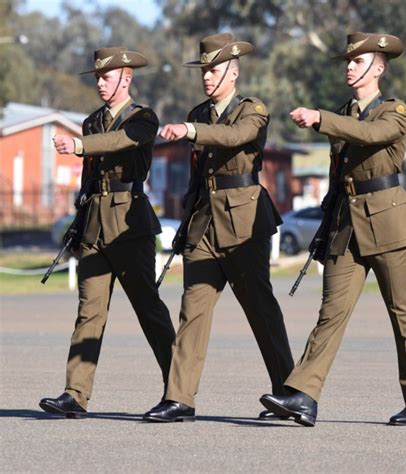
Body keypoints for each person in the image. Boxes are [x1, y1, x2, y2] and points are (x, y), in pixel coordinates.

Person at [260, 32, 406, 427]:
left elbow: (371, 135)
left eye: (357, 61)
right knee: (330, 313)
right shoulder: (343, 113)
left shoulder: (395, 110)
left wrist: (321, 119)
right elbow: (339, 177)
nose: (350, 67)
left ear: (379, 67)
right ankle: (304, 395)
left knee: (403, 312)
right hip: (346, 224)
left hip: (387, 220)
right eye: (348, 62)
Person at [143, 33, 294, 423]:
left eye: (213, 70)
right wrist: (185, 222)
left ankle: (289, 393)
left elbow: (235, 137)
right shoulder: (199, 113)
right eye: (203, 71)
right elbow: (198, 177)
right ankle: (179, 397)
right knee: (192, 309)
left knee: (260, 309)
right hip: (204, 223)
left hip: (244, 220)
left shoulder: (252, 110)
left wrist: (192, 132)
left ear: (234, 71)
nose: (207, 77)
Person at [39, 47, 175, 418]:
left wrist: (81, 147)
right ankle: (75, 394)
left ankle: (178, 389)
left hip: (130, 225)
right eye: (98, 77)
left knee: (148, 309)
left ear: (126, 78)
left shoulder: (143, 118)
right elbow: (88, 181)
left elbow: (123, 141)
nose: (100, 82)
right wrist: (78, 223)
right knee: (89, 311)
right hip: (95, 226)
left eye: (107, 76)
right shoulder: (91, 120)